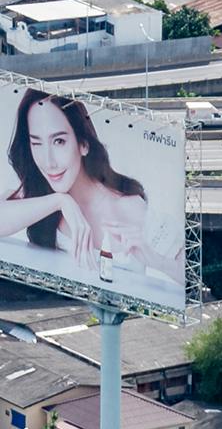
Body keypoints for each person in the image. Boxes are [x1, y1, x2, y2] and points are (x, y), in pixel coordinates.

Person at [0, 91, 161, 298]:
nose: (48, 162)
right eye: (36, 143)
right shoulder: (36, 194)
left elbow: (179, 279)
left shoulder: (128, 206)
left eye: (59, 141)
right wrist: (61, 202)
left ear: (83, 144)